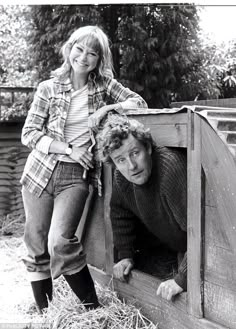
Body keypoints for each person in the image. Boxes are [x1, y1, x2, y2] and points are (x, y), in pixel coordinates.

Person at [20, 25, 147, 313]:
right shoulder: (48, 88)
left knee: (60, 242)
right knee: (36, 244)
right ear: (69, 48)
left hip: (75, 176)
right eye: (80, 49)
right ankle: (47, 313)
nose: (84, 57)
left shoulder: (103, 85)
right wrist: (68, 149)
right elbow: (29, 133)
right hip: (39, 172)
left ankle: (93, 311)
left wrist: (105, 110)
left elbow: (139, 102)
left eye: (92, 53)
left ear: (99, 59)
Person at [98, 113, 187, 301]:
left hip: (195, 249)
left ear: (147, 147)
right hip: (173, 246)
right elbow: (120, 212)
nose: (131, 166)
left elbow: (202, 232)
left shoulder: (170, 168)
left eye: (135, 153)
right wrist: (125, 255)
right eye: (120, 160)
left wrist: (182, 278)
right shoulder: (122, 178)